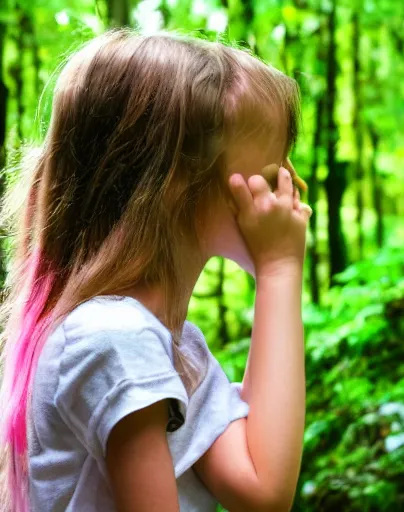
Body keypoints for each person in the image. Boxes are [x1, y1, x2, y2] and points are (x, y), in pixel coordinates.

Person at [0, 27, 312, 512]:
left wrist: (280, 271)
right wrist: (278, 265)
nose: (294, 188)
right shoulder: (114, 340)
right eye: (273, 173)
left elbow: (263, 490)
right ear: (177, 185)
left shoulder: (170, 345)